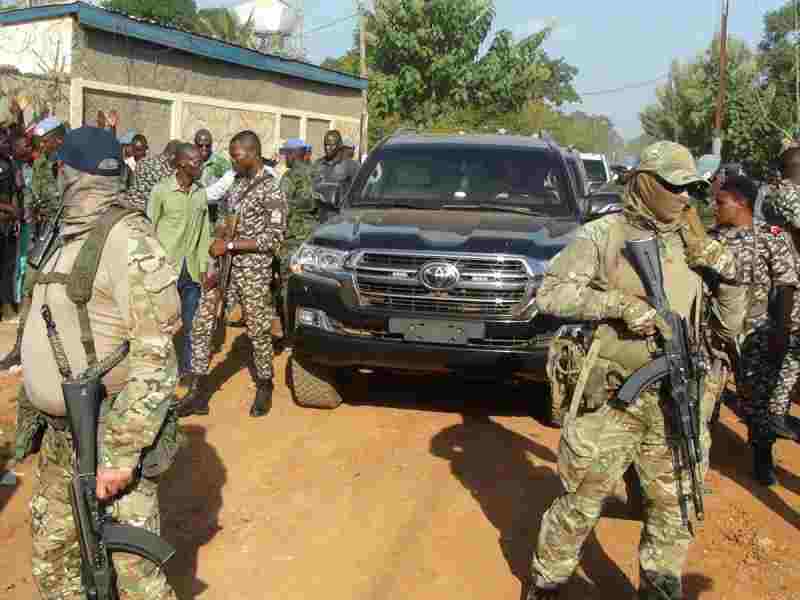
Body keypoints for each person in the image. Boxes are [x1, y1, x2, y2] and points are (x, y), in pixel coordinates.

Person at [525, 142, 746, 600]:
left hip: (678, 401)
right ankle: (548, 581)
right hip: (612, 401)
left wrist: (729, 281)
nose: (685, 197)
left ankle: (659, 589)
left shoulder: (697, 244)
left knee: (675, 510)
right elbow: (549, 295)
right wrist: (619, 305)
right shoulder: (604, 235)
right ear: (647, 183)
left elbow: (729, 330)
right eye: (675, 186)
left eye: (693, 189)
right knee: (581, 502)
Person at [14, 126, 180, 599]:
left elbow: (156, 357)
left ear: (71, 175)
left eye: (58, 170)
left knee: (134, 578)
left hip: (107, 437)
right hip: (61, 438)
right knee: (56, 564)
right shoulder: (64, 232)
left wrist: (122, 456)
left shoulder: (126, 238)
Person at [180, 130, 287, 418]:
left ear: (252, 153)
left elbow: (274, 239)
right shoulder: (236, 184)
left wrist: (229, 244)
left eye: (236, 156)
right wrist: (216, 254)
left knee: (257, 329)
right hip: (224, 267)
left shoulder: (272, 189)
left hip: (253, 270)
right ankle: (198, 392)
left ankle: (264, 384)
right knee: (202, 323)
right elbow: (227, 222)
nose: (233, 161)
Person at [710, 174, 800, 485]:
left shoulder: (771, 236)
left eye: (720, 202)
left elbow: (786, 285)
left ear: (741, 203)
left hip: (757, 331)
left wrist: (782, 330)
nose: (714, 207)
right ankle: (702, 455)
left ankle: (762, 457)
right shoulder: (711, 238)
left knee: (758, 398)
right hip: (716, 332)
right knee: (709, 393)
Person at [147, 143, 211, 385]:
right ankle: (158, 369)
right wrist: (151, 266)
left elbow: (205, 231)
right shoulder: (161, 191)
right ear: (182, 163)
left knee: (189, 321)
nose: (200, 165)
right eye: (196, 161)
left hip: (191, 269)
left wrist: (204, 266)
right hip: (165, 269)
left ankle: (185, 370)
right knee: (162, 323)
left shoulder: (200, 193)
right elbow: (149, 229)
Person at [311, 129, 359, 222]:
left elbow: (358, 193)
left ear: (339, 145)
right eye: (326, 144)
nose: (327, 148)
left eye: (331, 145)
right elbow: (311, 187)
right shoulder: (318, 164)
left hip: (341, 218)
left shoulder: (351, 166)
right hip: (320, 218)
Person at [125, 139, 181, 212]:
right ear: (173, 156)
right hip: (144, 208)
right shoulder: (167, 172)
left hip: (129, 202)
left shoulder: (143, 161)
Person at [30, 117, 65, 230]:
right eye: (40, 142)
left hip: (74, 224)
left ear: (58, 139)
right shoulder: (39, 163)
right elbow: (35, 190)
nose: (41, 145)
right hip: (50, 227)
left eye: (45, 141)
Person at [195, 129, 231, 224]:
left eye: (207, 145)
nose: (204, 148)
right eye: (200, 145)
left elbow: (231, 185)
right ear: (195, 145)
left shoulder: (220, 163)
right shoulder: (191, 162)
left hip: (214, 216)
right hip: (195, 213)